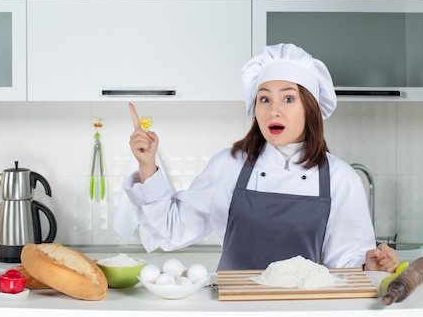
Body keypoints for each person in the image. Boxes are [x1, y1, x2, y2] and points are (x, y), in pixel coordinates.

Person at [122, 43, 398, 272]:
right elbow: (171, 231)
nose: (273, 111)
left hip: (304, 310)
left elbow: (347, 262)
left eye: (288, 99)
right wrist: (147, 165)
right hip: (234, 309)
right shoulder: (229, 166)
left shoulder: (340, 178)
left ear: (309, 108)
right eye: (264, 99)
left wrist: (368, 266)